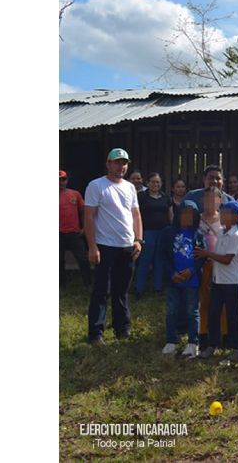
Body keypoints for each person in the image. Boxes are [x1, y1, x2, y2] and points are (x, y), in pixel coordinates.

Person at [84, 148, 143, 346]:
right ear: (108, 164)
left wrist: (138, 240)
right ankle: (96, 333)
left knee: (122, 290)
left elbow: (135, 215)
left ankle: (122, 329)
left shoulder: (129, 187)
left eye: (124, 163)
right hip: (105, 245)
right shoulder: (97, 186)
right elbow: (89, 216)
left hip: (126, 246)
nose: (121, 166)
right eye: (117, 162)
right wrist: (92, 247)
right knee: (101, 290)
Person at [197, 201, 238, 361]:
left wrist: (206, 254)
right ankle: (213, 344)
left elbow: (227, 259)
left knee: (233, 315)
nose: (222, 215)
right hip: (218, 281)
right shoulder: (223, 232)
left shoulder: (236, 236)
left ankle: (236, 347)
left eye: (226, 213)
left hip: (231, 282)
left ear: (235, 217)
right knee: (213, 313)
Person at [161, 201, 205, 358]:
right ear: (178, 215)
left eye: (191, 215)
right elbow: (163, 256)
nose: (187, 217)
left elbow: (201, 257)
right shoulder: (168, 233)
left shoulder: (198, 234)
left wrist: (192, 270)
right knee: (172, 310)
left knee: (192, 311)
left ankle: (193, 343)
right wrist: (172, 272)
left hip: (191, 280)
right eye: (184, 213)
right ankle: (171, 341)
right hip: (173, 279)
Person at [197, 187, 227, 350]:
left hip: (222, 264)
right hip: (203, 264)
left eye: (214, 199)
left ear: (220, 201)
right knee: (204, 301)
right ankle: (203, 334)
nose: (210, 202)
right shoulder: (197, 219)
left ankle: (223, 334)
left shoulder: (225, 219)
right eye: (207, 199)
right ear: (202, 201)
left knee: (221, 301)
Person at [135, 172, 171, 298]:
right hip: (147, 232)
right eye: (153, 182)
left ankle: (158, 288)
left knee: (159, 261)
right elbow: (135, 214)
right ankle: (139, 290)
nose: (156, 184)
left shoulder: (166, 197)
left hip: (162, 232)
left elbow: (170, 215)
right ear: (147, 183)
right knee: (145, 260)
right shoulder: (141, 196)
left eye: (158, 182)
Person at [60, 170, 91, 289]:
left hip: (74, 233)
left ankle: (88, 284)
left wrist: (84, 227)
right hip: (58, 234)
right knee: (58, 260)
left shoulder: (75, 194)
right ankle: (61, 285)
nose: (61, 182)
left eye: (63, 179)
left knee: (83, 258)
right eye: (59, 180)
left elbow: (84, 211)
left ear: (67, 180)